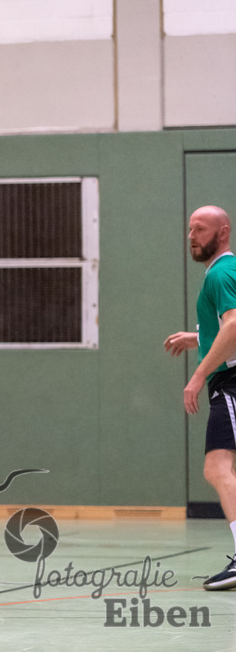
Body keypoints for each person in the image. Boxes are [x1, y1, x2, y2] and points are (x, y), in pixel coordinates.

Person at [164, 204, 236, 591]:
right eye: (190, 229)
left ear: (223, 233)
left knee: (217, 468)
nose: (192, 236)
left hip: (231, 381)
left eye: (201, 229)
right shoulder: (223, 272)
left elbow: (234, 325)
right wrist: (197, 338)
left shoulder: (222, 272)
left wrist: (197, 375)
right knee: (222, 469)